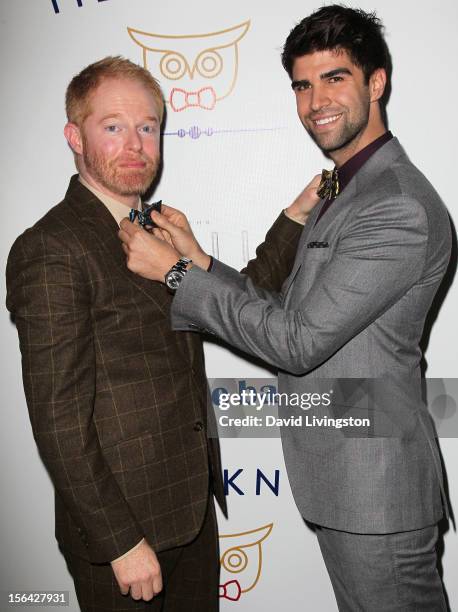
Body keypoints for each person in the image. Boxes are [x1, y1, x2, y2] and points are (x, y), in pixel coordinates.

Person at [118, 6, 452, 611]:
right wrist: (195, 261)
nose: (315, 100)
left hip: (374, 491)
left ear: (377, 83)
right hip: (349, 485)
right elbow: (285, 311)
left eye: (335, 78)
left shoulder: (394, 205)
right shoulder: (345, 191)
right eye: (303, 84)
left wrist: (172, 274)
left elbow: (296, 342)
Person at [6, 56, 318, 611]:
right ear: (73, 136)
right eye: (113, 127)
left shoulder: (157, 232)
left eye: (147, 127)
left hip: (190, 511)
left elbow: (235, 302)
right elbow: (58, 418)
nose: (135, 145)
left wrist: (295, 216)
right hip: (126, 535)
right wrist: (122, 543)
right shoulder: (51, 248)